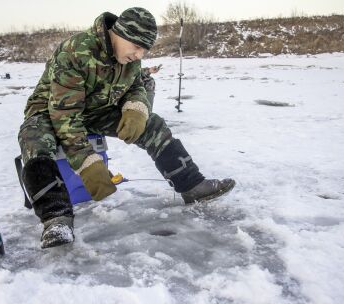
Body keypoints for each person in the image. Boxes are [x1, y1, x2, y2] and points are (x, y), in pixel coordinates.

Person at [18, 7, 235, 249]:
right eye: (137, 46)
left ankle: (192, 185)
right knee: (34, 140)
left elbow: (136, 86)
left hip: (97, 110)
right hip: (50, 111)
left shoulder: (129, 59)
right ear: (118, 33)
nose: (140, 54)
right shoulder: (76, 51)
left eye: (145, 49)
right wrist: (87, 163)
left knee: (153, 124)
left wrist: (136, 109)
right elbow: (65, 116)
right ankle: (56, 219)